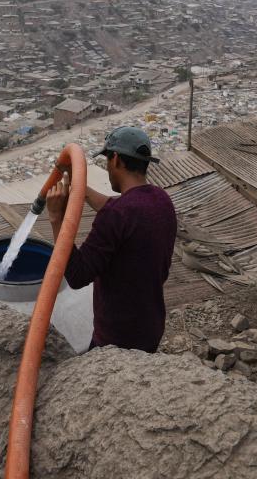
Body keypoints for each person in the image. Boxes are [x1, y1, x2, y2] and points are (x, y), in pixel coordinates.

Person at [46, 126, 177, 353]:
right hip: (150, 327)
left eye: (107, 160)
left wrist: (57, 218)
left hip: (117, 339)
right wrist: (79, 187)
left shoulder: (116, 216)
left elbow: (77, 276)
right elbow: (118, 209)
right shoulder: (160, 200)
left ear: (115, 159)